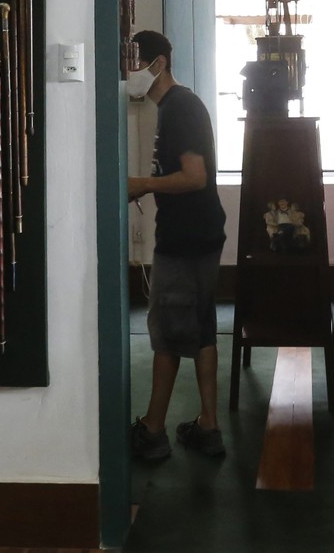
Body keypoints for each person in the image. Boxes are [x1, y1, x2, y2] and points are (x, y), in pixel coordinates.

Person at [126, 30, 228, 460]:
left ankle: (152, 431)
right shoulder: (176, 106)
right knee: (201, 329)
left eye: (135, 64)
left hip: (185, 240)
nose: (129, 75)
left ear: (159, 64)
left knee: (166, 334)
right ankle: (208, 426)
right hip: (200, 233)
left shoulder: (180, 107)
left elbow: (195, 176)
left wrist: (139, 185)